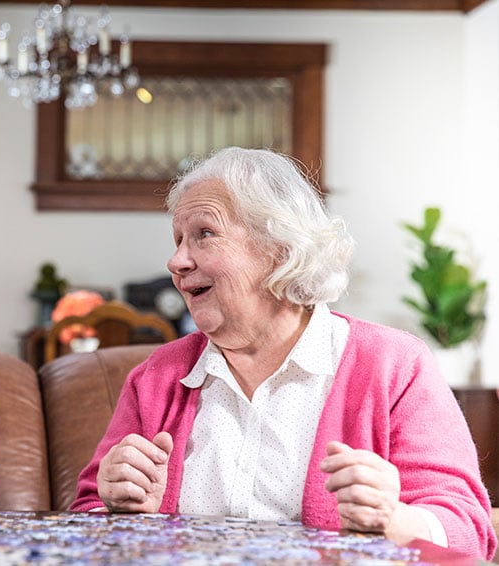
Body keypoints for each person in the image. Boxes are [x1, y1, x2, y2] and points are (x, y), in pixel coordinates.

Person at [70, 147, 496, 559]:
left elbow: (470, 531)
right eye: (178, 240)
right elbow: (82, 518)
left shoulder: (394, 365)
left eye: (204, 234)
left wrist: (399, 521)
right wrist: (116, 508)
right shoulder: (156, 378)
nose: (176, 261)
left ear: (279, 247)